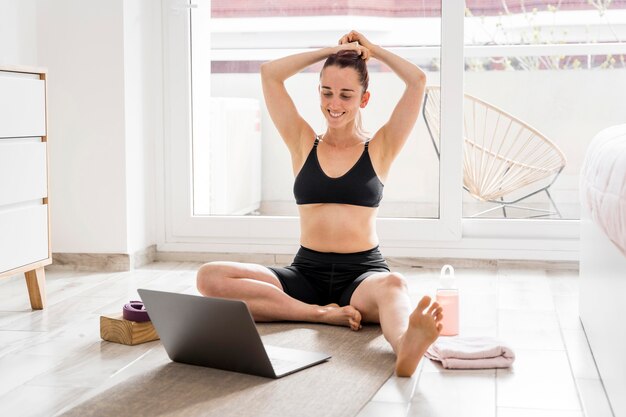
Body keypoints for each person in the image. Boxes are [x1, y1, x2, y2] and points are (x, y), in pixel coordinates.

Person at [196, 30, 443, 377]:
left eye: (346, 94)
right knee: (210, 276)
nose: (334, 103)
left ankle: (405, 346)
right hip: (304, 274)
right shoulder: (302, 142)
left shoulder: (380, 147)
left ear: (364, 98)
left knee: (395, 285)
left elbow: (417, 81)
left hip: (362, 275)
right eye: (327, 92)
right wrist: (332, 51)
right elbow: (270, 73)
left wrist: (373, 51)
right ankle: (317, 313)